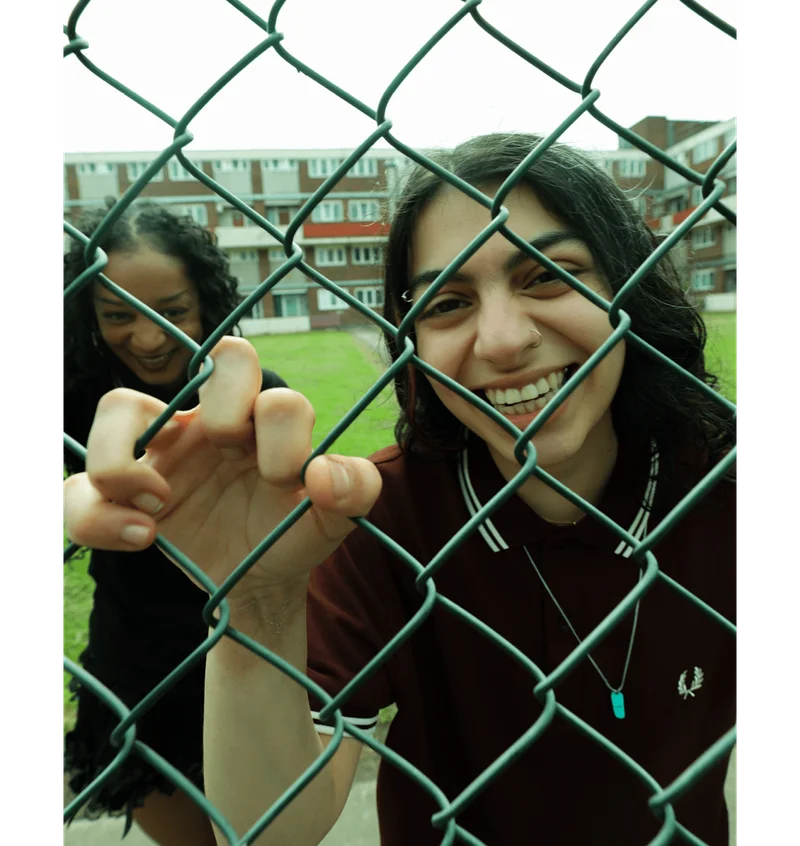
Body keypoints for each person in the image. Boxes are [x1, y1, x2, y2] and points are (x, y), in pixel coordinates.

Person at [63, 134, 741, 846]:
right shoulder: (379, 515)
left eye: (548, 274)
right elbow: (270, 832)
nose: (504, 341)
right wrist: (256, 599)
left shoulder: (720, 491)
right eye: (447, 302)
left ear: (627, 288)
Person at [59, 199, 287, 846]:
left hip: (249, 666)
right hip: (135, 676)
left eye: (173, 312)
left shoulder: (253, 396)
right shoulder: (73, 389)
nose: (150, 338)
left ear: (207, 301)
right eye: (116, 315)